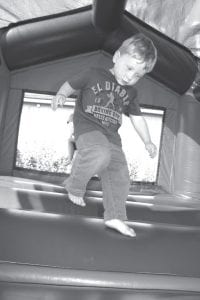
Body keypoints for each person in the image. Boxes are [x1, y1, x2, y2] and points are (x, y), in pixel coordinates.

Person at [51, 33, 157, 237]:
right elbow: (71, 84)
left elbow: (137, 118)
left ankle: (115, 215)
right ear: (117, 56)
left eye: (137, 75)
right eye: (129, 68)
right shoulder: (93, 74)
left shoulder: (131, 92)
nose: (130, 77)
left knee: (120, 175)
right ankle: (74, 185)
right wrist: (61, 95)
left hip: (112, 137)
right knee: (99, 153)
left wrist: (148, 141)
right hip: (88, 129)